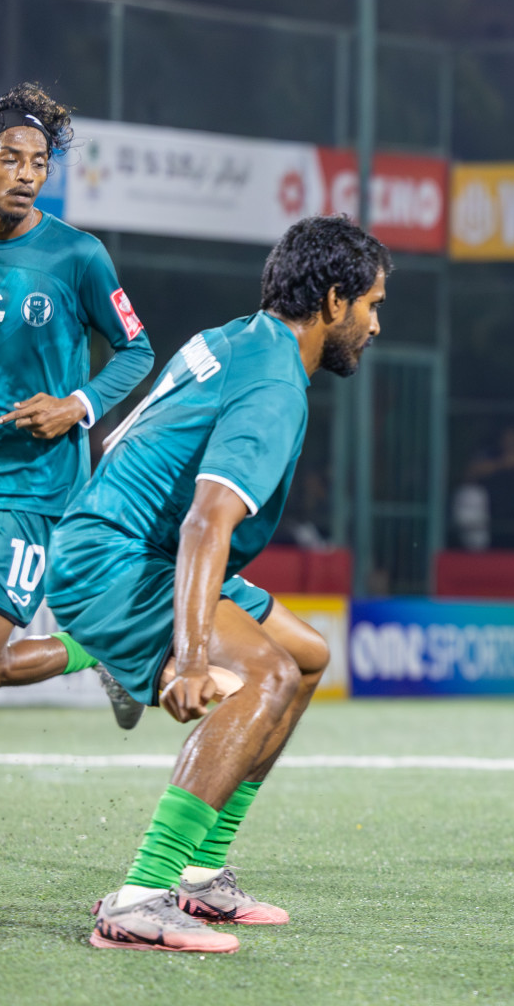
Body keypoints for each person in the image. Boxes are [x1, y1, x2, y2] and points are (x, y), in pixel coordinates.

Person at [45, 215, 389, 952]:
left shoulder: (237, 336)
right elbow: (208, 523)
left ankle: (201, 880)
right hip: (114, 560)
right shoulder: (275, 383)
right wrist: (195, 657)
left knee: (304, 656)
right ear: (334, 301)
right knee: (261, 676)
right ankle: (140, 897)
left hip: (125, 543)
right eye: (372, 305)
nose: (375, 325)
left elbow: (127, 441)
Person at [0, 84, 156, 858]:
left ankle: (102, 650)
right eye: (10, 159)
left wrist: (77, 403)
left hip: (34, 492)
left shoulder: (77, 254)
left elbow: (137, 349)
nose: (27, 173)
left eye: (39, 162)